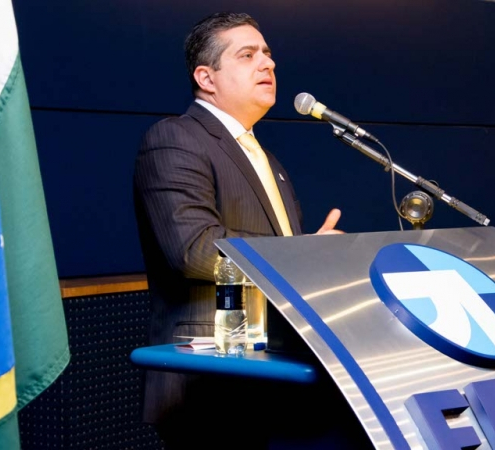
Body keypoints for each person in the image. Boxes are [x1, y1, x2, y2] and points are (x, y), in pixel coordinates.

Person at [133, 11, 361, 449]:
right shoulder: (174, 138)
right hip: (211, 382)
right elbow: (194, 249)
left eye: (268, 54)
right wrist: (304, 252)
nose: (268, 63)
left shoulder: (266, 159)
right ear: (206, 77)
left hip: (276, 373)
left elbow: (283, 260)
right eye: (248, 55)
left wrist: (314, 258)